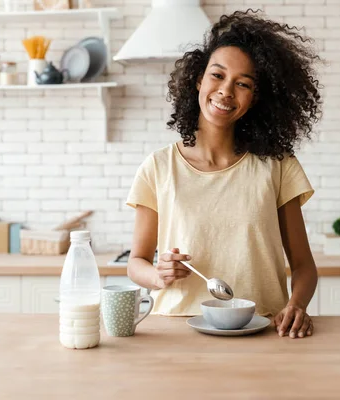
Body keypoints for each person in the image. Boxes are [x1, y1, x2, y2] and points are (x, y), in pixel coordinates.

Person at [126, 9, 322, 339]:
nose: (226, 91)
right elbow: (136, 262)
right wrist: (158, 275)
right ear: (198, 79)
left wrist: (297, 306)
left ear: (256, 98)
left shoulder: (277, 165)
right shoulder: (158, 167)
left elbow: (304, 266)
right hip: (175, 330)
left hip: (261, 330)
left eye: (243, 83)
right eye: (218, 75)